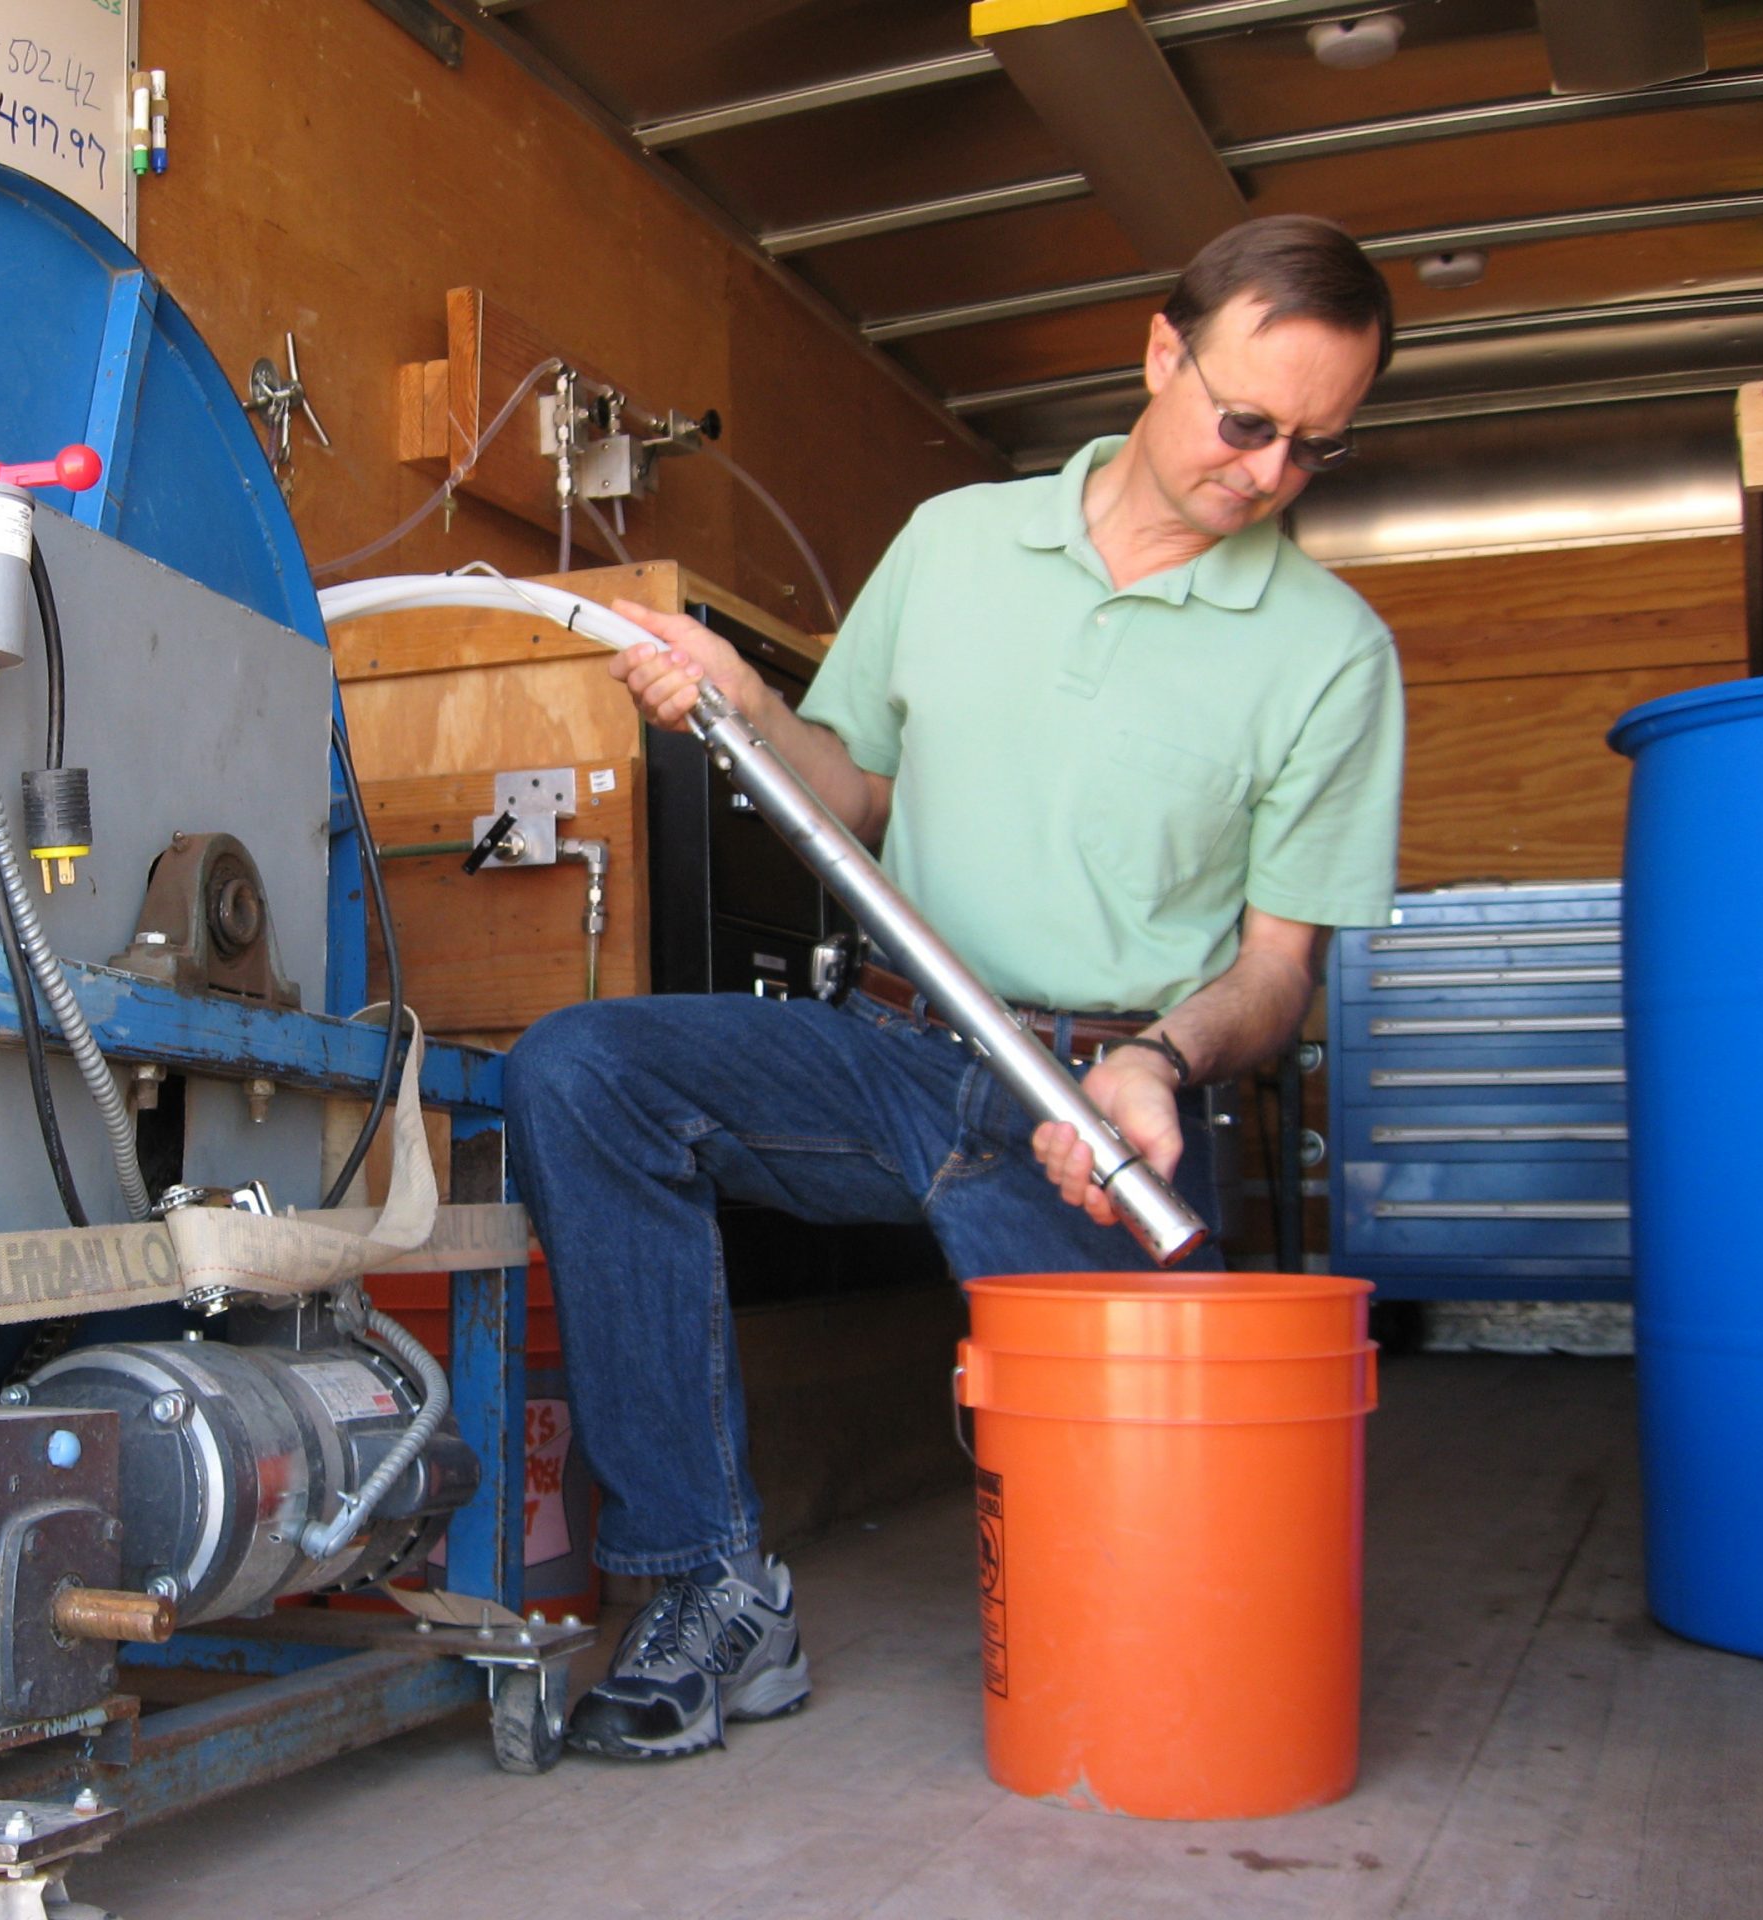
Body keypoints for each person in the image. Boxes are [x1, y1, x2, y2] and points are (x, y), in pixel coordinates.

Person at [502, 214, 1406, 1763]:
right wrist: (745, 704)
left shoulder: (1331, 655)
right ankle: (709, 1589)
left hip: (1104, 1115)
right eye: (1245, 421)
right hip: (894, 1060)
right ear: (1159, 352)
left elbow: (1276, 978)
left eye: (1314, 450)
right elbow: (847, 796)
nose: (1265, 475)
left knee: (1168, 1642)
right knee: (583, 1070)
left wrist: (1160, 1065)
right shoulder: (953, 543)